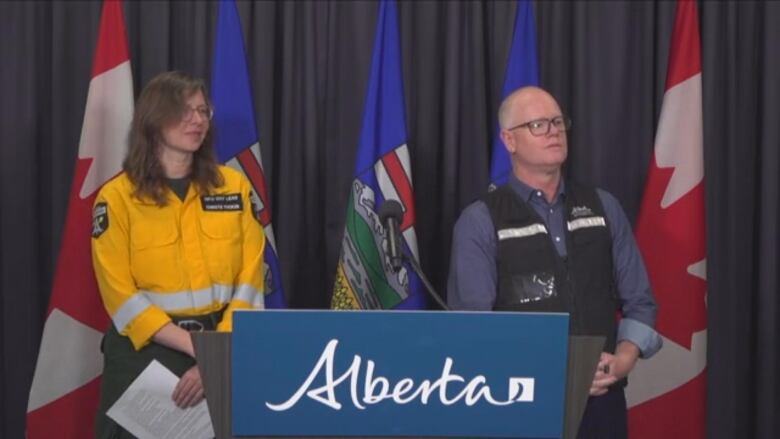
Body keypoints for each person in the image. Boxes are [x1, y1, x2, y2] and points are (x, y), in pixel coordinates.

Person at [447, 86, 662, 438]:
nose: (553, 131)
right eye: (538, 124)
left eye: (558, 122)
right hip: (519, 403)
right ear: (509, 140)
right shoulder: (481, 221)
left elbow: (640, 300)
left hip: (601, 402)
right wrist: (553, 373)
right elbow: (474, 329)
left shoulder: (603, 207)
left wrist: (624, 358)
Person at [91, 71, 266, 438]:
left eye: (203, 111)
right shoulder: (117, 198)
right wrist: (198, 349)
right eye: (185, 111)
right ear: (154, 119)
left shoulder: (233, 187)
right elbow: (120, 297)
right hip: (144, 355)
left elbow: (250, 282)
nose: (198, 120)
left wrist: (214, 354)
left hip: (223, 343)